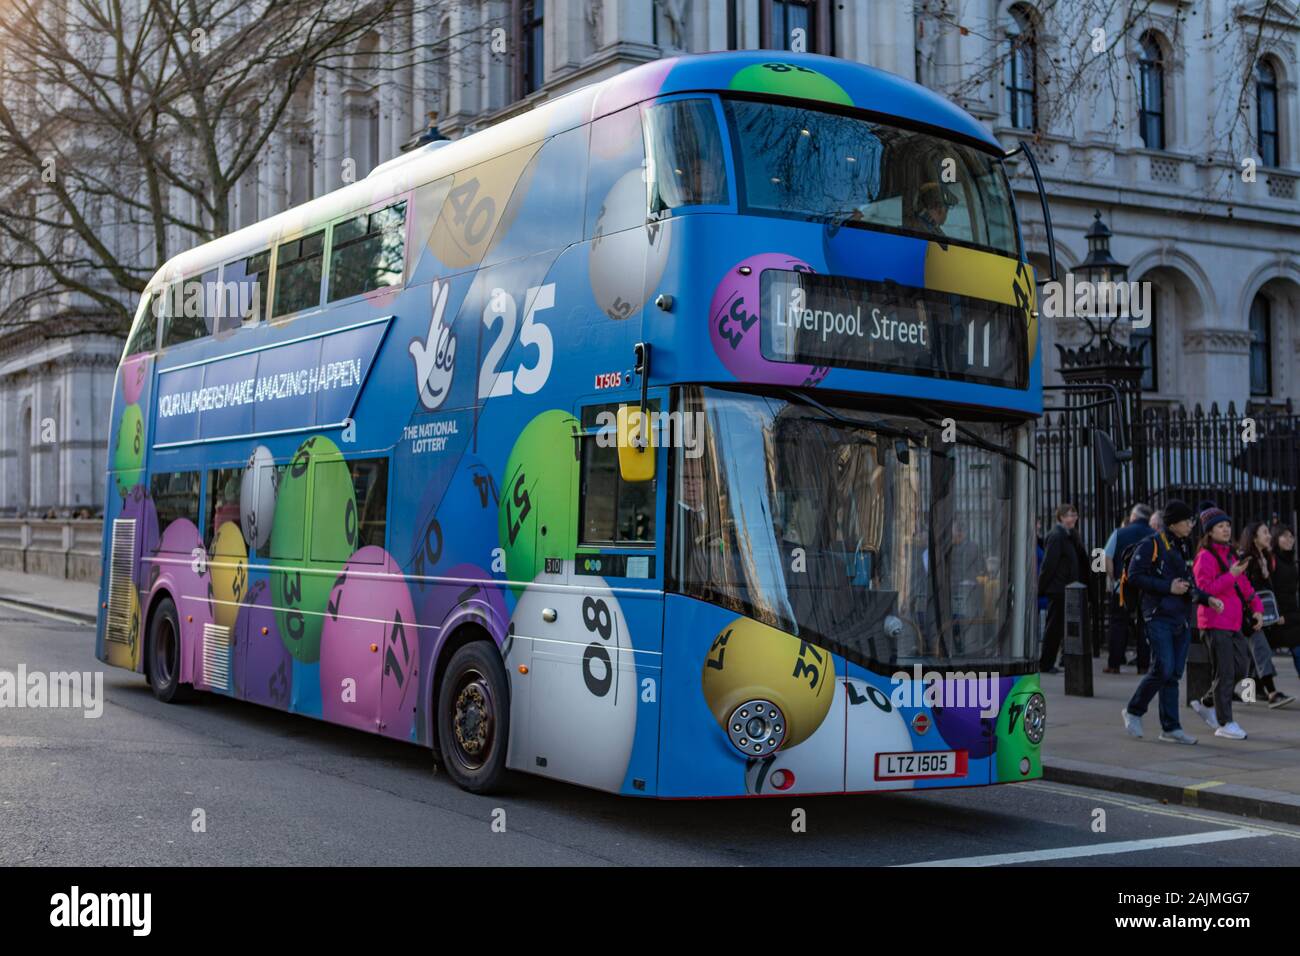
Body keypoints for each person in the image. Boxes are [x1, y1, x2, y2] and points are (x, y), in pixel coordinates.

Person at [1121, 499, 1221, 744]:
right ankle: (1134, 710)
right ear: (1174, 523)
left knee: (1174, 673)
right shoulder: (1151, 544)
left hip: (1180, 617)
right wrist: (1168, 587)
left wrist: (1208, 599)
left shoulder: (1184, 545)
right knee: (1163, 668)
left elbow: (1188, 583)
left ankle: (1171, 727)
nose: (1191, 524)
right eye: (1187, 520)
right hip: (1157, 616)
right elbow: (1134, 576)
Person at [1189, 507, 1264, 739]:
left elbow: (1244, 586)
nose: (1226, 529)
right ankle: (1226, 723)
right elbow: (1204, 591)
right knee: (1226, 671)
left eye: (1228, 525)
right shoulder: (1205, 557)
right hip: (1214, 622)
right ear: (1209, 532)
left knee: (1241, 669)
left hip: (1233, 622)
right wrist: (1230, 574)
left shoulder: (1231, 554)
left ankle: (1207, 702)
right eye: (1220, 526)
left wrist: (1257, 608)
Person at [1238, 522, 1295, 707]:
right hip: (1250, 616)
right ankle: (1272, 693)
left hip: (1264, 615)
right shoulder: (1247, 559)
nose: (1269, 535)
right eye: (1265, 532)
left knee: (1254, 657)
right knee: (1261, 651)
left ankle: (1248, 694)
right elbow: (1241, 588)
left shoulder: (1265, 557)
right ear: (1254, 537)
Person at [1103, 503, 1155, 674]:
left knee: (1118, 624)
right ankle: (1143, 665)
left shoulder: (1119, 533)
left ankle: (1114, 664)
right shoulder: (1155, 535)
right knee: (1144, 625)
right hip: (1146, 586)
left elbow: (1107, 557)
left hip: (1122, 586)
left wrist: (1113, 578)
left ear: (1133, 516)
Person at [1038, 503, 1088, 674]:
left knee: (1066, 627)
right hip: (1059, 589)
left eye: (1075, 515)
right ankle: (1046, 663)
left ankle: (1064, 658)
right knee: (1054, 628)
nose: (1073, 518)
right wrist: (1041, 587)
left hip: (1069, 589)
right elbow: (1049, 564)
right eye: (1069, 515)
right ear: (1060, 517)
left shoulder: (1070, 535)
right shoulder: (1057, 535)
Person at [1269, 524, 1300, 680]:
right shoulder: (1272, 560)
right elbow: (1270, 589)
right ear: (1276, 539)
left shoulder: (1291, 562)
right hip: (1278, 617)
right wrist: (1277, 614)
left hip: (1292, 616)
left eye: (1291, 536)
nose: (1290, 539)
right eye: (1285, 536)